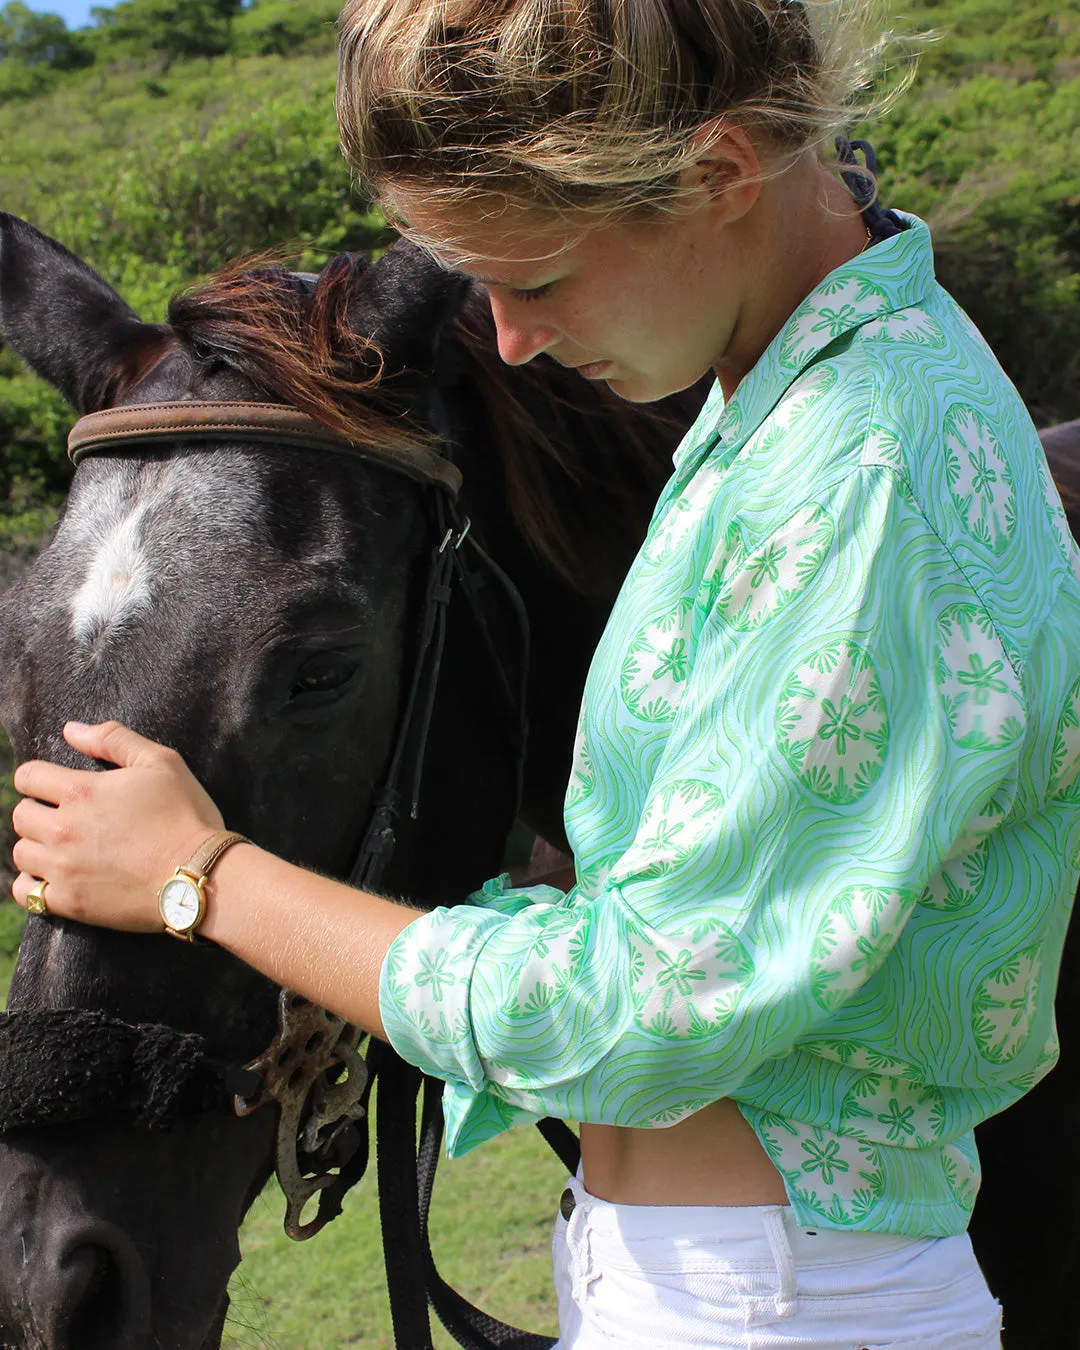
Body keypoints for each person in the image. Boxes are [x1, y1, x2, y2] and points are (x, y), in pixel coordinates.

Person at [11, 2, 1080, 1346]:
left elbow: (646, 1010)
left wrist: (202, 876)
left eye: (537, 280)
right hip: (728, 1278)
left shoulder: (866, 470)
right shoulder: (789, 414)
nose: (506, 342)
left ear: (718, 173)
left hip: (771, 1305)